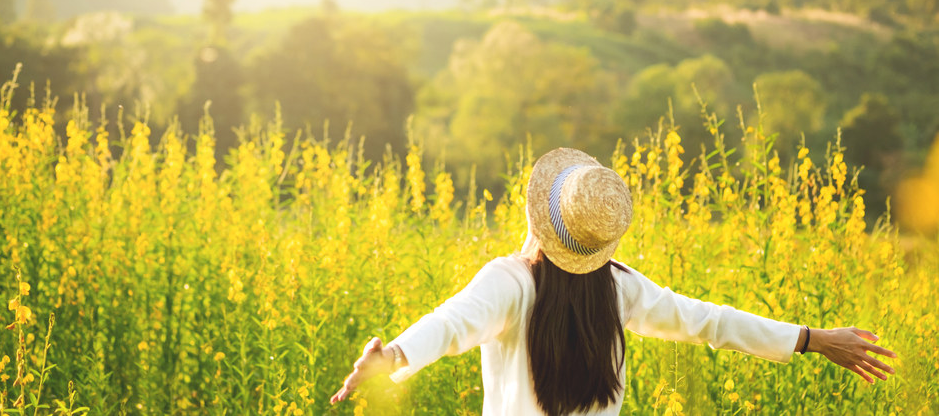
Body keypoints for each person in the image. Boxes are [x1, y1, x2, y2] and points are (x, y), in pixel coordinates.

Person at [330, 148, 897, 415]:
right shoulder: (620, 289)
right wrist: (812, 338)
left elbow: (451, 324)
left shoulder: (509, 283)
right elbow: (711, 322)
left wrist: (393, 355)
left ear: (536, 216)